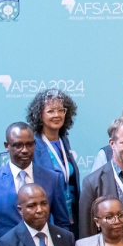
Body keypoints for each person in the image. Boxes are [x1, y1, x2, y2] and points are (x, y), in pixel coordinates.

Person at [0, 122, 71, 236]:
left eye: (29, 144)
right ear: (7, 146)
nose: (25, 150)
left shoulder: (52, 179)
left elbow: (62, 223)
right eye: (18, 145)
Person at [26, 88, 82, 236]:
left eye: (61, 110)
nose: (57, 115)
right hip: (47, 218)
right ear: (39, 114)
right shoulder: (33, 145)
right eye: (50, 111)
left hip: (71, 218)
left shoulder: (64, 141)